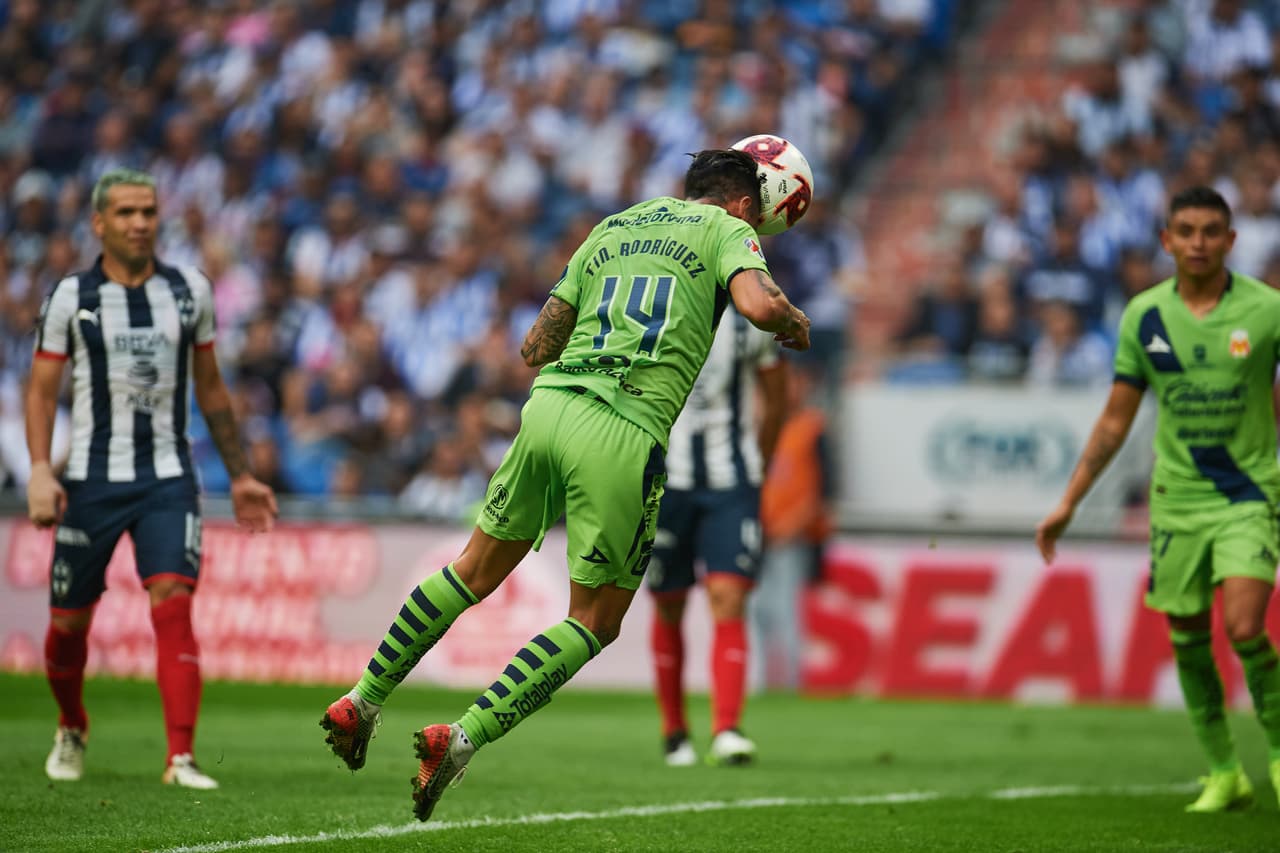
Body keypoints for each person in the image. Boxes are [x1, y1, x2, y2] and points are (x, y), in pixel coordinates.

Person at [320, 148, 811, 821]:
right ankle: (459, 740)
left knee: (470, 568)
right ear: (741, 203)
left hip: (548, 408)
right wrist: (791, 320)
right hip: (623, 430)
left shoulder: (613, 226)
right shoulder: (729, 230)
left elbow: (535, 345)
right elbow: (756, 303)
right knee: (596, 620)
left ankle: (361, 698)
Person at [27, 168, 278, 788]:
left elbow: (213, 388)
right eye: (126, 213)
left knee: (173, 597)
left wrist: (241, 475)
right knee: (67, 624)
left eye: (148, 211)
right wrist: (39, 469)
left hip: (168, 476)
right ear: (99, 223)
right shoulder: (70, 297)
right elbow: (40, 390)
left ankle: (180, 758)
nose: (140, 223)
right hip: (90, 479)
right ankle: (71, 723)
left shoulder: (189, 291)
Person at [1035, 186, 1280, 814]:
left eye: (1211, 231)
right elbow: (1116, 421)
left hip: (1247, 492)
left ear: (1231, 240)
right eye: (1186, 231)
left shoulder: (1267, 311)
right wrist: (1070, 502)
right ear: (1166, 241)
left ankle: (1279, 753)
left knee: (1246, 625)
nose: (1198, 242)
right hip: (1175, 500)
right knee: (1189, 636)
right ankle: (1224, 771)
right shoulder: (1144, 316)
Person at [645, 303, 787, 767]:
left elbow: (777, 395)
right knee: (669, 602)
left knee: (728, 596)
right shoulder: (656, 309)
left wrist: (757, 463)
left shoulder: (752, 315)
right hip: (667, 481)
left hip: (731, 483)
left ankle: (726, 728)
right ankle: (674, 732)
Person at [752, 359, 833, 691]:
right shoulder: (757, 428)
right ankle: (756, 685)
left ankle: (791, 685)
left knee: (786, 612)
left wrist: (791, 526)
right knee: (755, 611)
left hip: (791, 538)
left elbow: (822, 492)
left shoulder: (812, 428)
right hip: (758, 535)